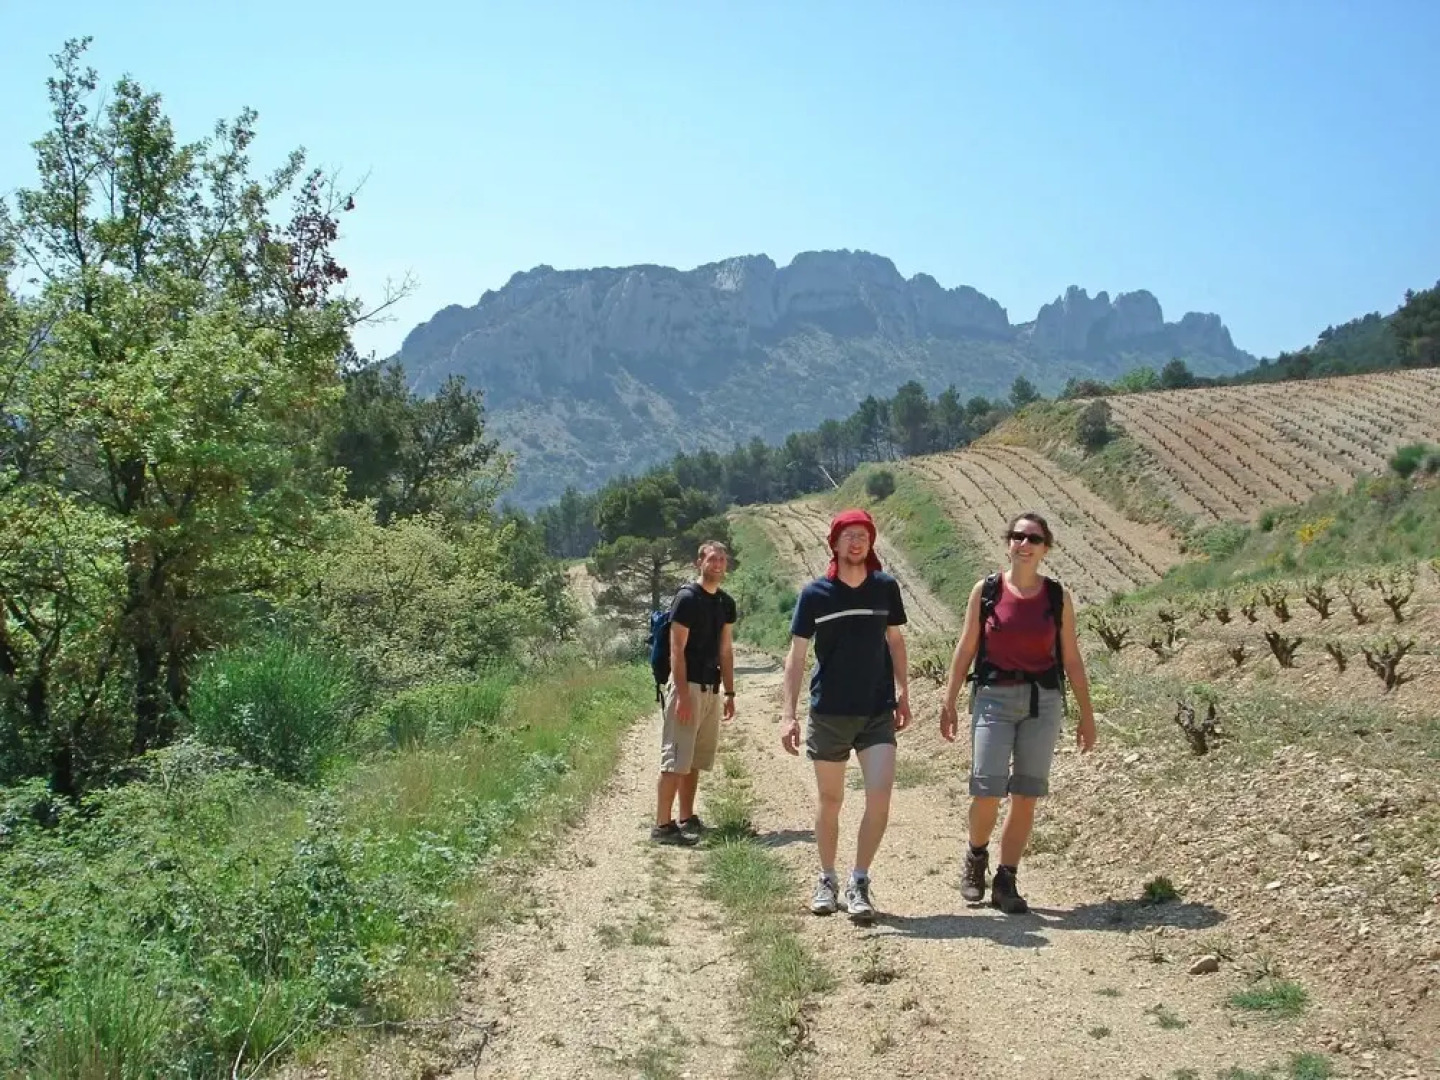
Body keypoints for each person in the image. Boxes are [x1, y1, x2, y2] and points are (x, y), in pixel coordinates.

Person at [939, 511, 1097, 914]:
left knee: (1026, 794)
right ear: (1008, 543)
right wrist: (950, 700)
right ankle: (977, 858)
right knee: (987, 789)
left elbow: (1073, 658)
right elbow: (966, 647)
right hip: (993, 697)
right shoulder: (987, 591)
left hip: (1042, 702)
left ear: (1046, 548)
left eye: (1033, 539)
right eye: (1017, 536)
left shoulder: (1057, 597)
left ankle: (1006, 878)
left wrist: (1086, 713)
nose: (1024, 544)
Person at [780, 508, 911, 924]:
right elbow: (797, 656)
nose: (856, 542)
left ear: (871, 543)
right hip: (829, 712)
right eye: (848, 535)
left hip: (876, 711)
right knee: (831, 800)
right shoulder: (815, 594)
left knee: (880, 797)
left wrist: (904, 692)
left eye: (864, 535)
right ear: (834, 543)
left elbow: (895, 641)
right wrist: (788, 714)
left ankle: (859, 879)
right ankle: (826, 878)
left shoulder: (885, 588)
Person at [653, 540, 737, 846]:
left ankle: (686, 818)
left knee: (694, 760)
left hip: (711, 689)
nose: (718, 564)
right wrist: (684, 696)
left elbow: (726, 650)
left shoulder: (725, 603)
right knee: (675, 759)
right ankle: (663, 826)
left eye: (722, 560)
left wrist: (730, 691)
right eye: (712, 559)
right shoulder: (687, 599)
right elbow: (677, 649)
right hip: (686, 687)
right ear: (698, 562)